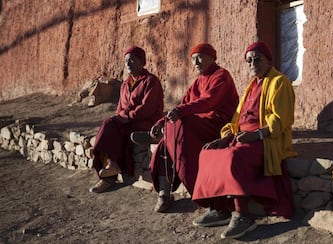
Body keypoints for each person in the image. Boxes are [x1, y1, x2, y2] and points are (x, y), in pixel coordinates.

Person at [191, 41, 297, 239]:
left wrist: (255, 135)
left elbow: (280, 120)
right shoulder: (251, 86)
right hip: (242, 137)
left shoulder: (279, 82)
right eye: (249, 60)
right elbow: (237, 119)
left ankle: (243, 215)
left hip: (265, 139)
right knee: (207, 153)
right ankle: (220, 208)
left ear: (268, 61)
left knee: (234, 156)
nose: (253, 63)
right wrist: (225, 137)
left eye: (258, 59)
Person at [135, 43, 238, 212]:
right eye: (193, 59)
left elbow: (208, 101)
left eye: (200, 57)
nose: (196, 62)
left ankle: (193, 187)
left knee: (177, 127)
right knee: (169, 138)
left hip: (218, 126)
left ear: (212, 58)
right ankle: (164, 193)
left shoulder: (221, 75)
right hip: (197, 125)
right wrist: (160, 122)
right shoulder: (197, 82)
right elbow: (183, 104)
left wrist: (178, 113)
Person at [89, 45, 164, 193]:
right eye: (126, 61)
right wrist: (122, 117)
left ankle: (109, 174)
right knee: (111, 127)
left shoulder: (151, 81)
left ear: (142, 62)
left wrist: (127, 116)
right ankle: (110, 169)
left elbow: (147, 109)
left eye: (132, 60)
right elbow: (119, 109)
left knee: (110, 125)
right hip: (128, 123)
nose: (128, 64)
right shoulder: (125, 84)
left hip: (146, 124)